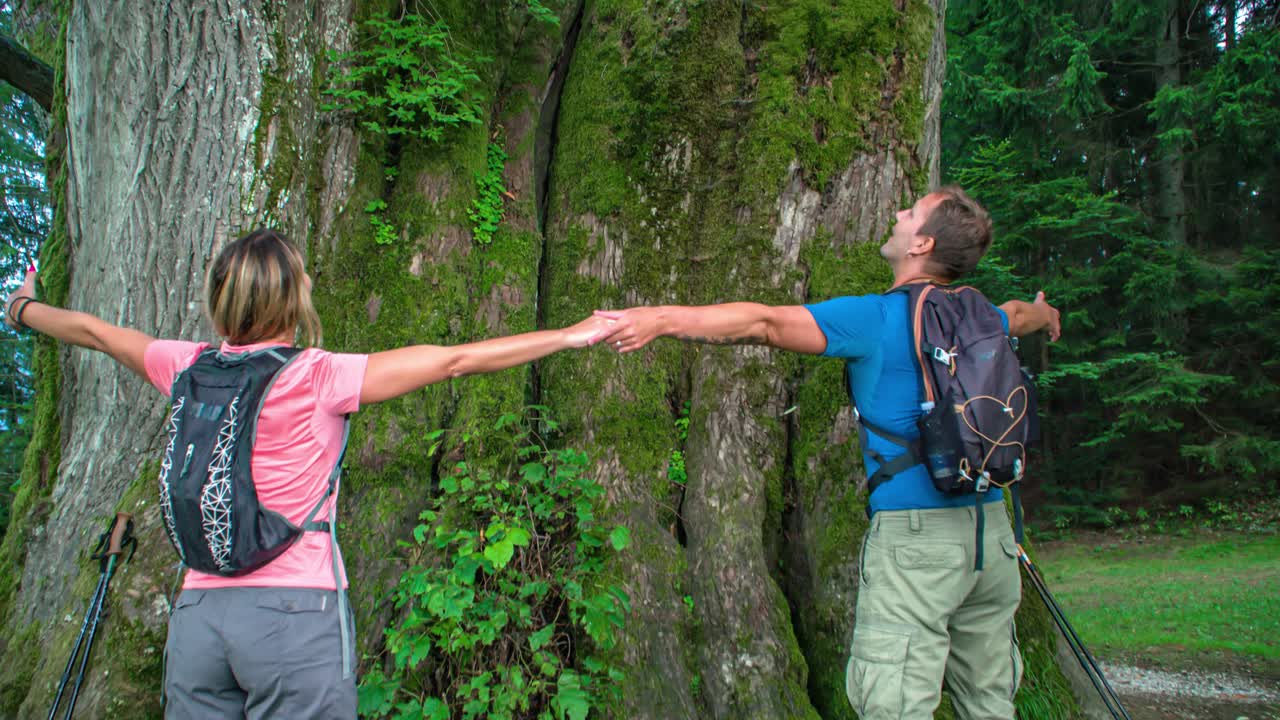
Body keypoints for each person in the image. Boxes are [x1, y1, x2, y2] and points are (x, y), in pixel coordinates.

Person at [3, 229, 615, 719]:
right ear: (291, 301)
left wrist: (23, 308)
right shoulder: (320, 376)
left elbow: (94, 333)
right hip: (293, 617)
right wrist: (568, 335)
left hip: (197, 619)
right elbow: (456, 360)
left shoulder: (184, 364)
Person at [596, 186, 1061, 720]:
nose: (896, 212)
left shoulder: (877, 319)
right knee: (989, 701)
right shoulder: (980, 314)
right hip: (991, 535)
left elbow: (764, 323)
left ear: (922, 243)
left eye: (909, 213)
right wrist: (1044, 315)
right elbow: (1018, 313)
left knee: (894, 706)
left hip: (917, 543)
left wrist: (658, 320)